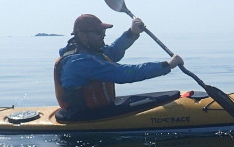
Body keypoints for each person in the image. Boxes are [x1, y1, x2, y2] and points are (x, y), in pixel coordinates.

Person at [53, 14, 184, 121]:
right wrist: (166, 65)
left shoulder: (87, 52)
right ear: (82, 35)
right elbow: (124, 73)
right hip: (83, 116)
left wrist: (132, 33)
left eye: (103, 31)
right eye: (99, 32)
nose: (103, 35)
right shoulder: (80, 62)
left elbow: (113, 51)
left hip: (95, 110)